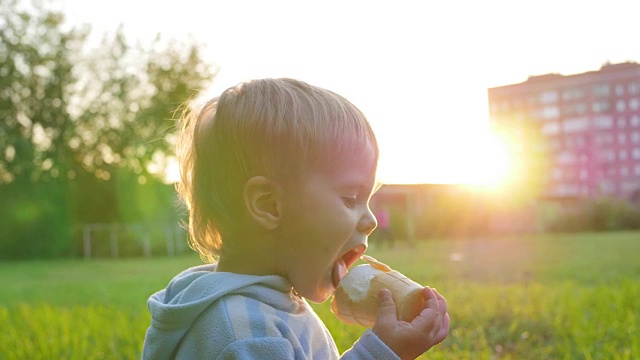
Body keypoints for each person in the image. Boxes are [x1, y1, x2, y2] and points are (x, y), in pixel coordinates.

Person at [142, 78, 449, 359]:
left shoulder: (265, 305)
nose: (370, 220)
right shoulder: (245, 331)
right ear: (269, 204)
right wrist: (381, 354)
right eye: (350, 198)